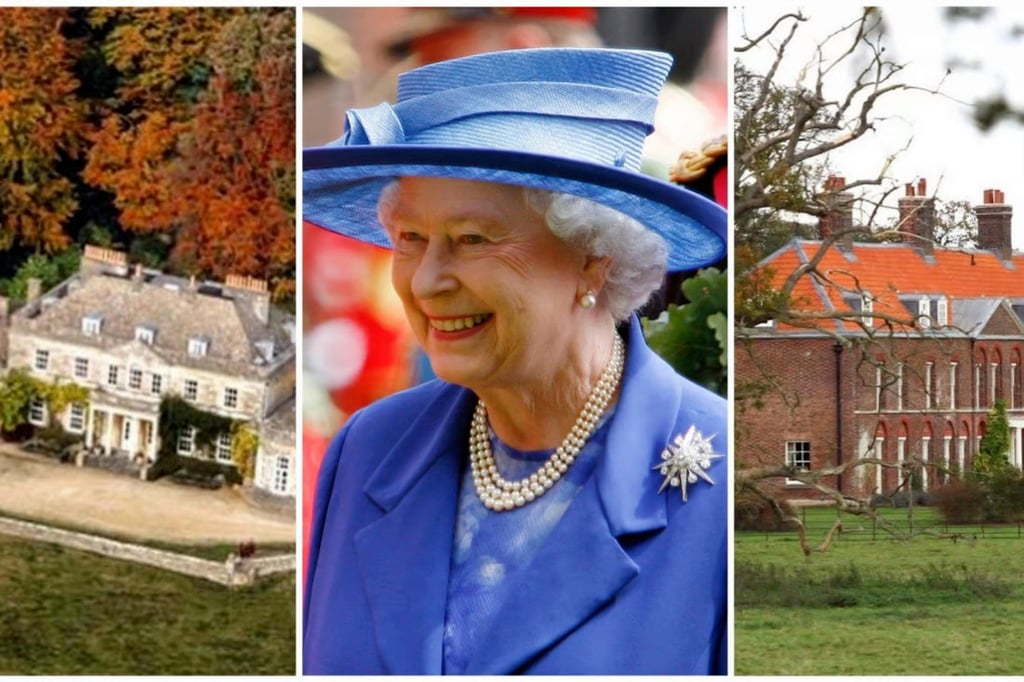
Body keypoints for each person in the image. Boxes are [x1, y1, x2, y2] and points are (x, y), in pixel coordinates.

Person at [303, 47, 728, 675]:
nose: (426, 282)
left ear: (593, 258)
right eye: (410, 239)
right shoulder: (369, 449)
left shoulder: (723, 491)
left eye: (472, 240)